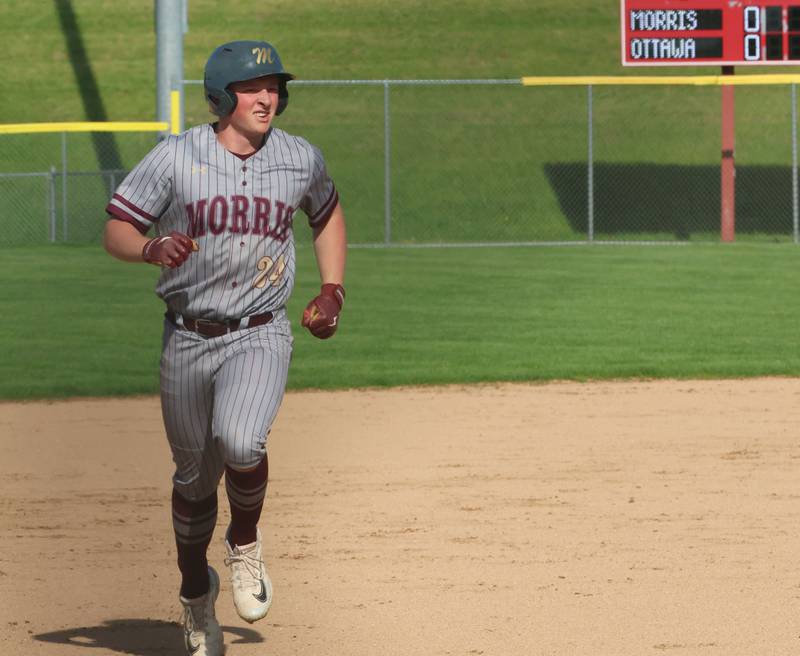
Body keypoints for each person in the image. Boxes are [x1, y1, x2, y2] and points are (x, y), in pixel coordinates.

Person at [103, 39, 347, 656]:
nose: (267, 96)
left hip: (261, 329)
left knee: (242, 440)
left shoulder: (299, 158)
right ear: (221, 95)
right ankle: (194, 594)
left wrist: (334, 291)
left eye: (274, 86)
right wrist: (150, 249)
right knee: (192, 480)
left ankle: (245, 542)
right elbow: (118, 227)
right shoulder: (178, 157)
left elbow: (327, 214)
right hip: (187, 335)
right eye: (252, 86)